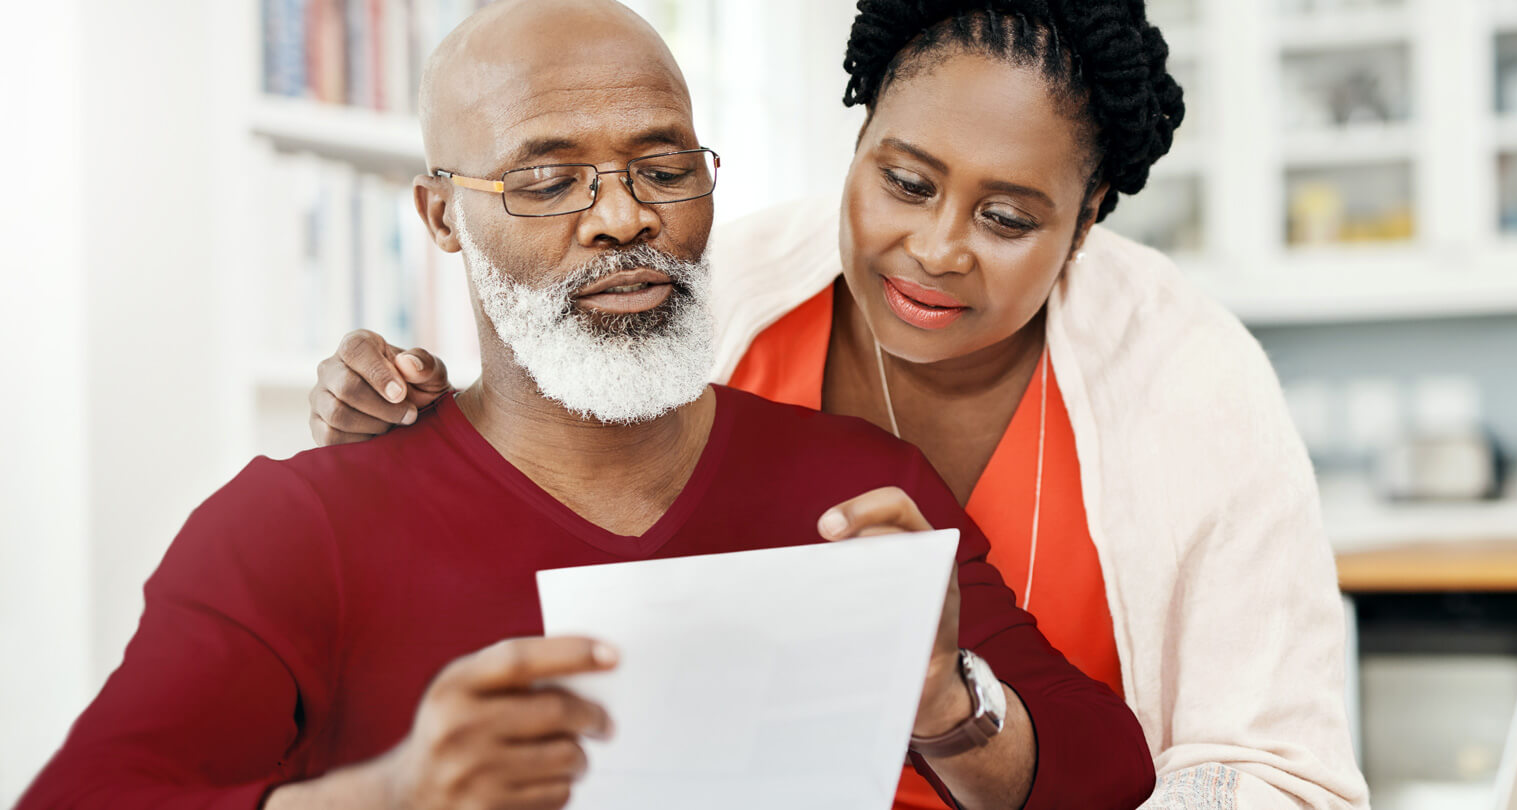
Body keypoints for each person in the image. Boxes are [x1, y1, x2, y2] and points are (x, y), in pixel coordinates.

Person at [16, 2, 1157, 808]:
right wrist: (388, 800)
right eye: (545, 179)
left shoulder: (861, 492)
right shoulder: (291, 528)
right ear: (441, 216)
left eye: (663, 169)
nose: (622, 219)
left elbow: (1106, 770)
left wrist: (945, 704)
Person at [310, 1, 1367, 808]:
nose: (936, 247)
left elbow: (1273, 772)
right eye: (904, 182)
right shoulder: (706, 298)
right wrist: (401, 446)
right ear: (858, 142)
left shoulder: (1191, 381)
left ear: (1084, 222)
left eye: (1006, 217)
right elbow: (524, 537)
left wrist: (959, 714)